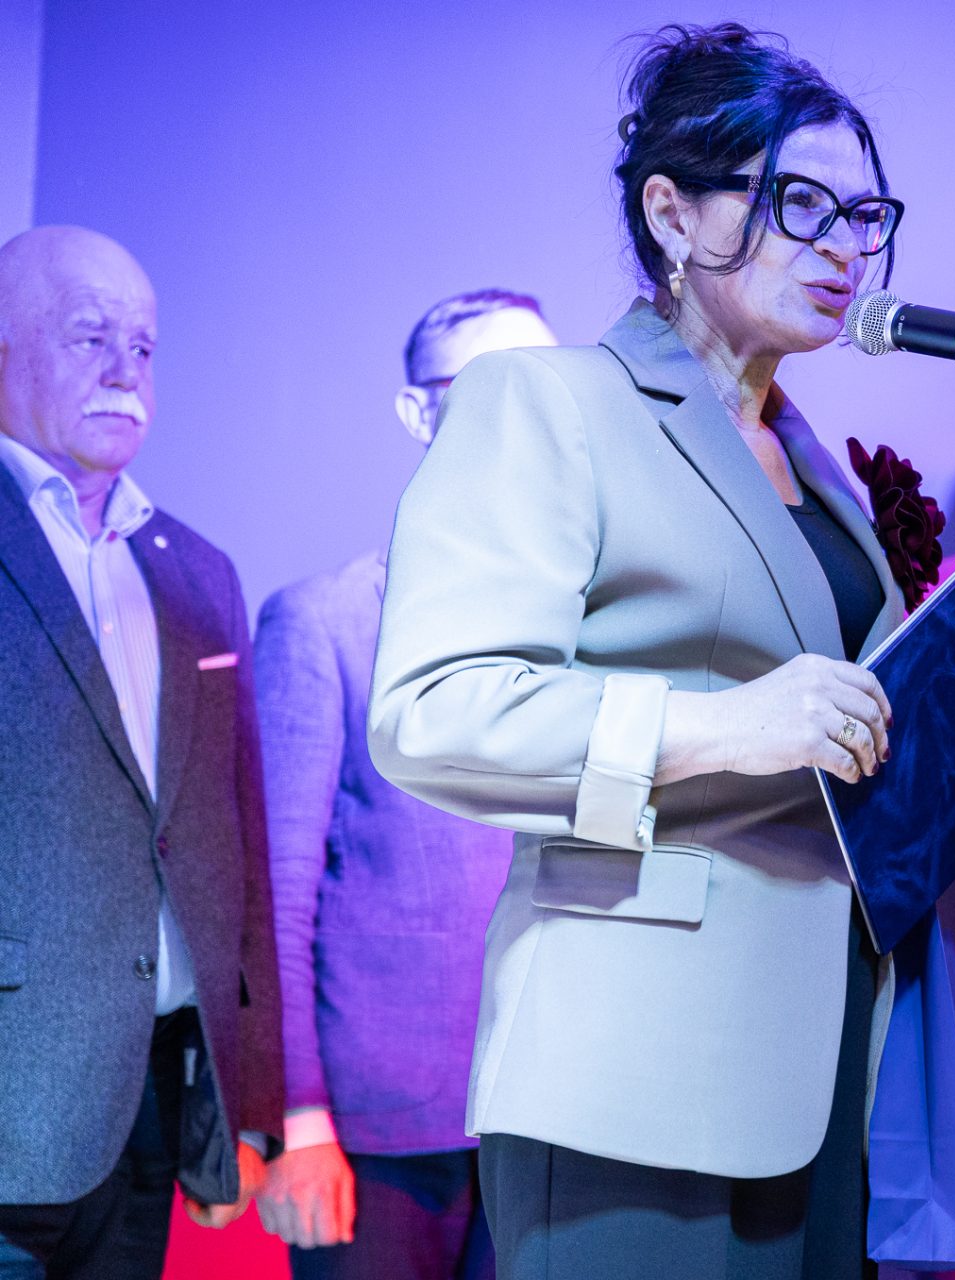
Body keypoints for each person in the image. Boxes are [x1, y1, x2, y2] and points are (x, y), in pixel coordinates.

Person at [364, 25, 955, 1280]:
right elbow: (433, 711)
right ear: (673, 213)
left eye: (867, 216)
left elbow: (837, 759)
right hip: (634, 1068)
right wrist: (720, 725)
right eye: (802, 204)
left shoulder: (822, 470)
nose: (846, 247)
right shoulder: (550, 402)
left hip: (838, 1049)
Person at [251, 291, 558, 1279]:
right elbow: (275, 898)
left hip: (547, 1116)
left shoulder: (585, 623)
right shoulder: (325, 623)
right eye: (489, 384)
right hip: (379, 1130)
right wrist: (298, 1117)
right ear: (418, 412)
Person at [0, 225, 283, 1277]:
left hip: (153, 1102)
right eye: (90, 337)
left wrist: (249, 1098)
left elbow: (237, 843)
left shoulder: (198, 572)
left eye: (145, 346)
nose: (126, 371)